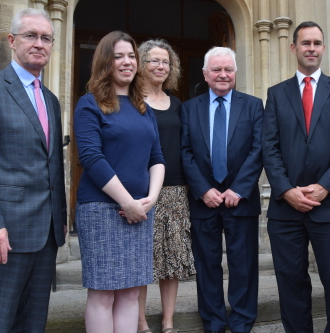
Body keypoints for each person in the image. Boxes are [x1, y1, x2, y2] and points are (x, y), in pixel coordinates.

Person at [0, 8, 66, 332]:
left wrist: (59, 222)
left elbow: (52, 166)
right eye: (30, 35)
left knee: (33, 324)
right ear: (12, 40)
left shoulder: (51, 100)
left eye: (46, 38)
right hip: (4, 234)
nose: (39, 43)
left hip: (45, 236)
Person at [262, 21, 330, 332]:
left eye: (317, 43)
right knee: (291, 288)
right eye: (305, 43)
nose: (311, 48)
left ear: (323, 48)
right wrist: (285, 190)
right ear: (293, 48)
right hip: (285, 210)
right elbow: (269, 147)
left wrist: (325, 187)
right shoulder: (276, 94)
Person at [73, 31, 165, 333]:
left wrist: (150, 199)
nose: (127, 62)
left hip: (141, 210)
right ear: (105, 62)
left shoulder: (144, 108)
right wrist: (127, 201)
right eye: (118, 56)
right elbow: (91, 158)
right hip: (101, 210)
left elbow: (157, 159)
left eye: (131, 56)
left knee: (129, 292)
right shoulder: (90, 104)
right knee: (103, 293)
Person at [180, 47, 264, 333]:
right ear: (205, 74)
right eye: (216, 70)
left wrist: (239, 189)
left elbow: (258, 149)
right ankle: (214, 321)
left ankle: (241, 320)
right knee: (207, 265)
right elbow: (185, 152)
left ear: (235, 73)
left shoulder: (253, 105)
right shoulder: (189, 108)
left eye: (228, 69)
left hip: (240, 201)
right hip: (204, 202)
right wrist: (203, 190)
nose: (223, 75)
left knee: (243, 265)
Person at [136, 39, 195, 333]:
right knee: (142, 262)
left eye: (166, 62)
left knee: (171, 262)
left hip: (175, 191)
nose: (161, 66)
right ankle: (141, 321)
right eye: (154, 61)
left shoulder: (177, 104)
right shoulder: (131, 102)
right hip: (141, 192)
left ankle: (168, 321)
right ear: (141, 64)